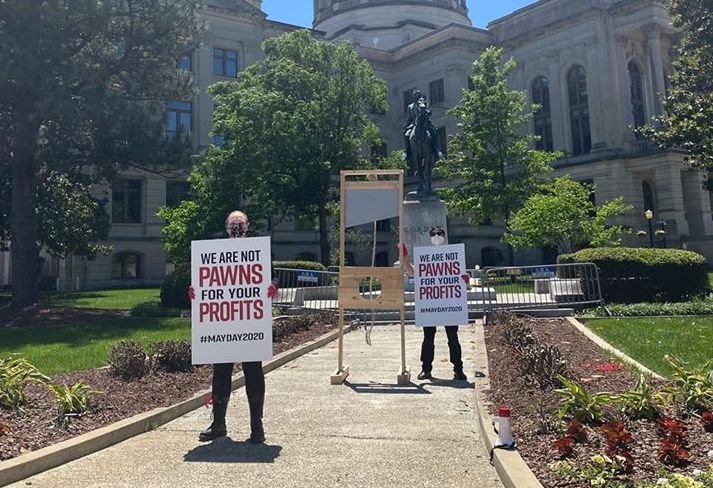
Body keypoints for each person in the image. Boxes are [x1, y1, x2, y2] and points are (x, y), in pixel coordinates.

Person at [191, 210, 279, 443]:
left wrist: (272, 284)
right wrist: (195, 292)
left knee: (253, 371)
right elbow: (204, 281)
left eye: (240, 223)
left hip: (249, 322)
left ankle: (256, 427)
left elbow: (274, 274)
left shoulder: (258, 250)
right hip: (224, 326)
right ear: (226, 227)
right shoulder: (215, 252)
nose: (237, 227)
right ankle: (218, 424)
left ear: (248, 226)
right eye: (233, 224)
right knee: (221, 372)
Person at [400, 225, 468, 382]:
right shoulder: (425, 259)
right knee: (428, 338)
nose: (436, 236)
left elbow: (461, 276)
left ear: (444, 236)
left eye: (439, 233)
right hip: (430, 306)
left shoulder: (453, 256)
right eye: (434, 234)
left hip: (450, 305)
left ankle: (459, 369)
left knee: (453, 338)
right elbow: (411, 271)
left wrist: (465, 279)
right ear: (430, 237)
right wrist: (404, 256)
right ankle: (426, 369)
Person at [403, 88, 442, 170]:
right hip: (414, 125)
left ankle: (436, 150)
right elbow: (409, 118)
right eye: (414, 95)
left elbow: (428, 112)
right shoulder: (410, 107)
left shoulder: (423, 103)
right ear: (413, 97)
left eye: (417, 95)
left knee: (434, 132)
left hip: (425, 123)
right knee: (406, 135)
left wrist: (426, 112)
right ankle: (406, 152)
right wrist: (406, 126)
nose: (416, 96)